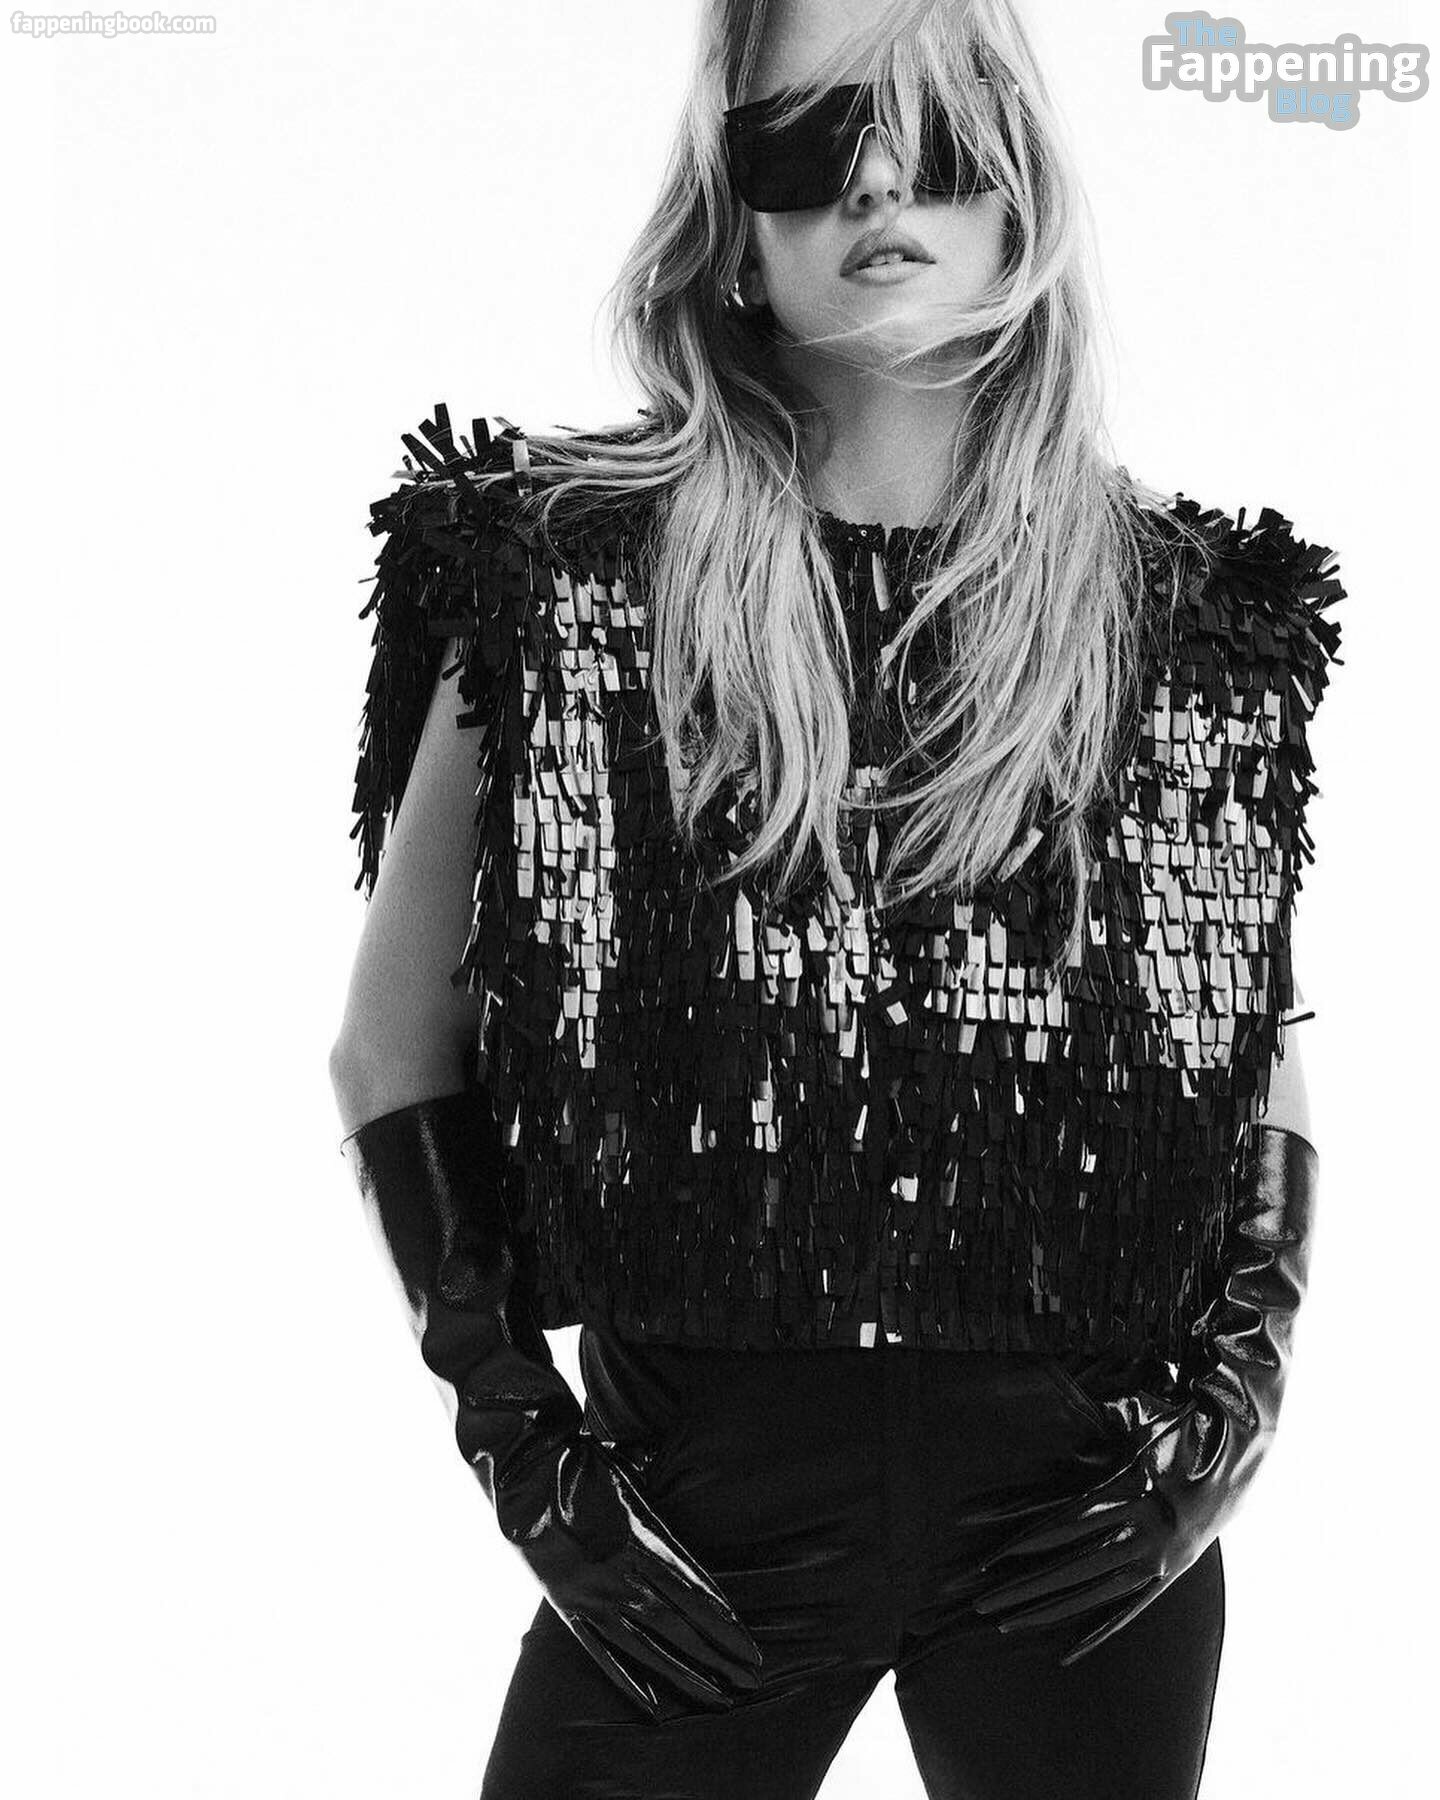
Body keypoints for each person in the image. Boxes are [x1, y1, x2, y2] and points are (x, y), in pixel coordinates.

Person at [328, 2, 1345, 1795]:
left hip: (1081, 1515)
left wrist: (1227, 1416)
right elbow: (393, 1042)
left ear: (1020, 194)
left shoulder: (1183, 614)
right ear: (732, 225)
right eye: (806, 144)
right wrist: (530, 1461)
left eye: (937, 135)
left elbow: (1239, 1043)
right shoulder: (552, 577)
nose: (878, 181)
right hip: (700, 1500)